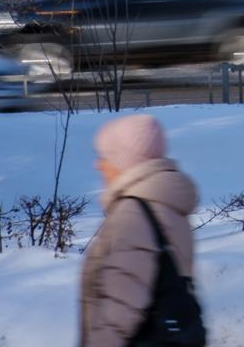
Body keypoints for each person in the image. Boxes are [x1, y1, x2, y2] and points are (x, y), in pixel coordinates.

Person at [80, 114, 202, 347]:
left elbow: (120, 306)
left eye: (105, 156)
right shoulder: (167, 204)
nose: (99, 164)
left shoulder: (133, 214)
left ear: (123, 161)